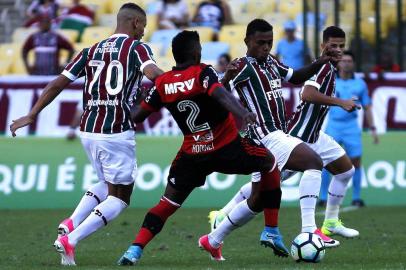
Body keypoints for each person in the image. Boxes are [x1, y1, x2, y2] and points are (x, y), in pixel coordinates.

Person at [11, 3, 163, 266]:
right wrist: (182, 82)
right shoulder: (138, 48)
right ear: (136, 23)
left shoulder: (90, 50)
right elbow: (154, 74)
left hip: (89, 129)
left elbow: (58, 83)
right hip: (115, 130)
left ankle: (70, 222)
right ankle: (72, 238)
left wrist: (33, 114)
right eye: (143, 28)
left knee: (105, 183)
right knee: (120, 197)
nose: (143, 34)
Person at [117, 30, 283, 265]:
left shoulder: (162, 83)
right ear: (196, 52)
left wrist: (124, 104)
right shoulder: (203, 71)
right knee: (270, 163)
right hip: (226, 148)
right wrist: (243, 113)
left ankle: (134, 249)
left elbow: (138, 115)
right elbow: (220, 95)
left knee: (166, 204)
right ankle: (271, 230)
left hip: (192, 154)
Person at [208, 19, 341, 249]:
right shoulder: (241, 66)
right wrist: (227, 78)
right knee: (313, 162)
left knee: (258, 200)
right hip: (264, 134)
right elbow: (217, 93)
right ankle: (310, 231)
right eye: (261, 43)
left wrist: (321, 61)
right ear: (247, 41)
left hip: (271, 135)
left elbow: (296, 77)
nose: (266, 47)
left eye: (269, 42)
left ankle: (212, 238)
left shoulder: (270, 62)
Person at [319, 50, 379, 208]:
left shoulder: (360, 84)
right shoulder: (331, 81)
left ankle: (357, 198)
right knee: (326, 161)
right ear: (338, 63)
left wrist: (372, 127)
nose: (346, 63)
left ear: (353, 64)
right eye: (343, 60)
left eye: (349, 61)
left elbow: (367, 107)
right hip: (333, 125)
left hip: (352, 127)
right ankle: (323, 197)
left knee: (356, 162)